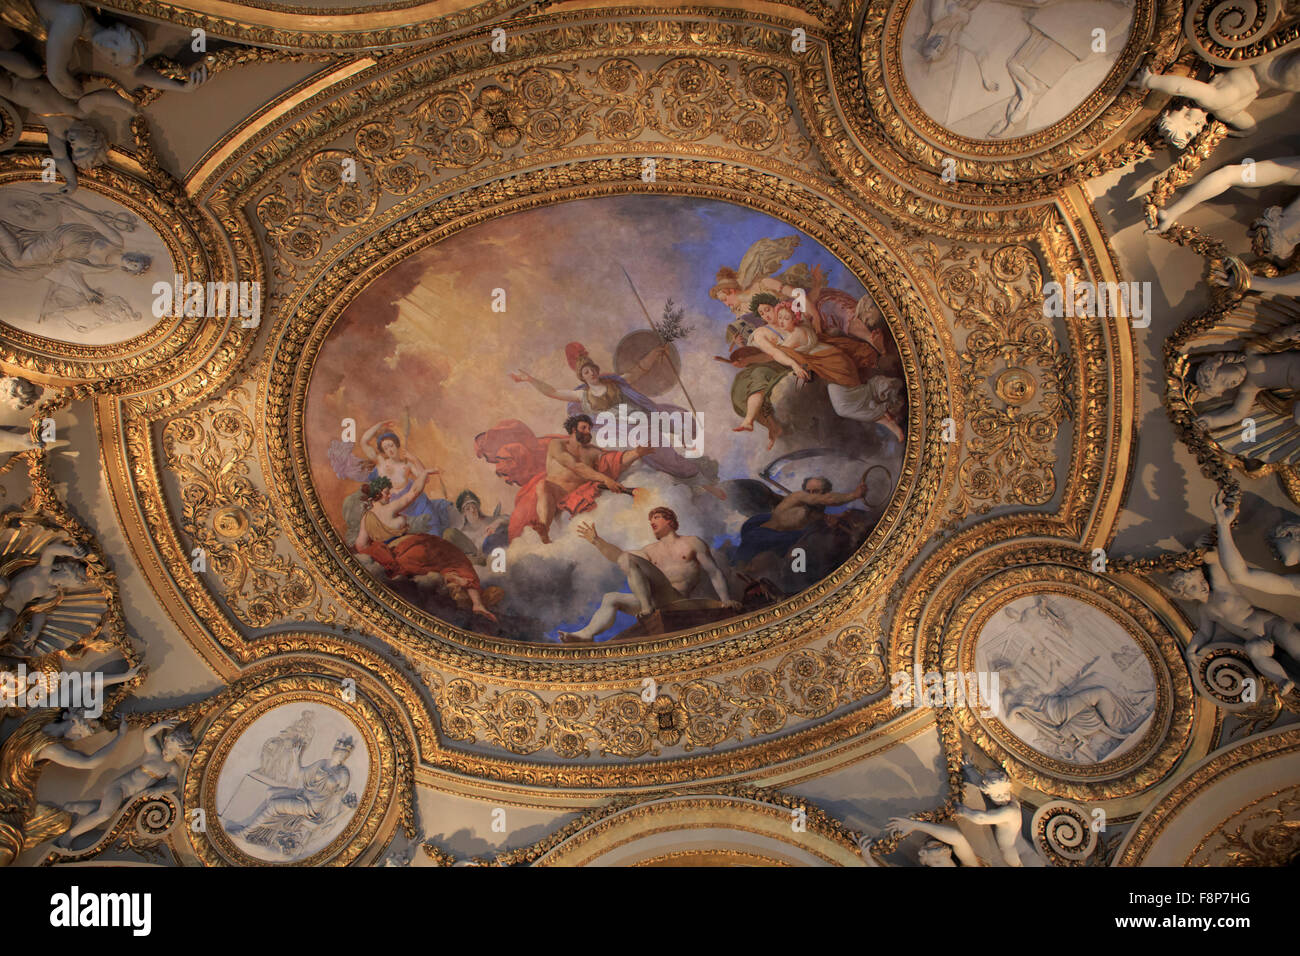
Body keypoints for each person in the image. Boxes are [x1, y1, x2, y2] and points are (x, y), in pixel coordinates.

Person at [512, 342, 723, 498]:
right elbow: (552, 391)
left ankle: (700, 473)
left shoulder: (616, 383)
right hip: (622, 430)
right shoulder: (581, 395)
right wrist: (530, 380)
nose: (591, 373)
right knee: (652, 454)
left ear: (596, 370)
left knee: (672, 436)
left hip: (641, 418)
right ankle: (695, 483)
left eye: (593, 370)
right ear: (582, 376)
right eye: (586, 372)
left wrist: (653, 353)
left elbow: (638, 370)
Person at [558, 507, 739, 642]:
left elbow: (714, 572)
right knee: (611, 597)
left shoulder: (692, 542)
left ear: (670, 521)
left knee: (629, 560)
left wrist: (726, 600)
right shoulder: (650, 550)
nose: (652, 521)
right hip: (656, 601)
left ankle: (647, 610)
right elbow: (619, 557)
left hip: (678, 598)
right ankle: (587, 635)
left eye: (657, 517)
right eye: (650, 519)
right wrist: (597, 541)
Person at [354, 471, 497, 621]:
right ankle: (477, 603)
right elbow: (414, 492)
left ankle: (449, 577)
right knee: (455, 557)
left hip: (394, 557)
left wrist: (381, 556)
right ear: (378, 494)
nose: (389, 496)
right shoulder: (390, 508)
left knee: (430, 569)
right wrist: (424, 473)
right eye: (386, 493)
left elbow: (361, 545)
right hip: (412, 546)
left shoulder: (366, 518)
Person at [504, 414, 652, 544]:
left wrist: (637, 453)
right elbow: (575, 465)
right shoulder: (557, 445)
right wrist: (606, 480)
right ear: (574, 429)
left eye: (589, 428)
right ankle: (544, 529)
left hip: (578, 496)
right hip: (555, 493)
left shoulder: (592, 451)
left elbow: (613, 461)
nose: (588, 432)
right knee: (543, 485)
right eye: (584, 428)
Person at [56, 718, 193, 847]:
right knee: (104, 814)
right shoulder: (155, 753)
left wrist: (160, 790)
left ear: (180, 752)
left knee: (98, 810)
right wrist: (161, 725)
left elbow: (173, 784)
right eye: (167, 746)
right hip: (120, 787)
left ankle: (72, 807)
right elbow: (147, 735)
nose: (166, 751)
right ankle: (68, 837)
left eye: (172, 750)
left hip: (128, 798)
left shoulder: (172, 767)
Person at [226, 735, 356, 853]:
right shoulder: (322, 763)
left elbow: (336, 799)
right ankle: (262, 835)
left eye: (343, 754)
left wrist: (333, 819)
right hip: (302, 794)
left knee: (274, 805)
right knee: (271, 792)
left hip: (311, 806)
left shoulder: (343, 774)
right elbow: (299, 775)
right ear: (334, 751)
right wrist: (296, 757)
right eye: (339, 752)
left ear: (346, 756)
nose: (340, 756)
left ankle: (245, 832)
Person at [734, 476, 867, 566]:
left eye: (816, 491)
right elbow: (828, 500)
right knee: (741, 568)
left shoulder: (817, 514)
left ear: (826, 491)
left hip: (783, 546)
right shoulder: (798, 497)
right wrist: (854, 495)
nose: (811, 494)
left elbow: (825, 519)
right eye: (808, 491)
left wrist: (841, 516)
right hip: (762, 538)